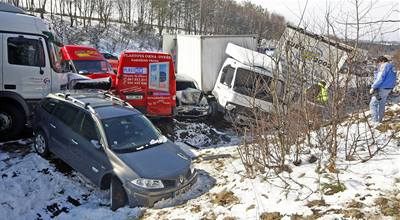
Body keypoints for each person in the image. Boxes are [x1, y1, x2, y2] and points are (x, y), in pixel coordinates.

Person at [369, 56, 397, 124]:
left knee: (373, 104)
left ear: (382, 61)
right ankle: (380, 120)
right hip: (389, 88)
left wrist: (373, 87)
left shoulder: (384, 66)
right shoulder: (392, 67)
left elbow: (380, 78)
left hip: (382, 87)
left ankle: (375, 121)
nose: (378, 65)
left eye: (379, 63)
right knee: (381, 103)